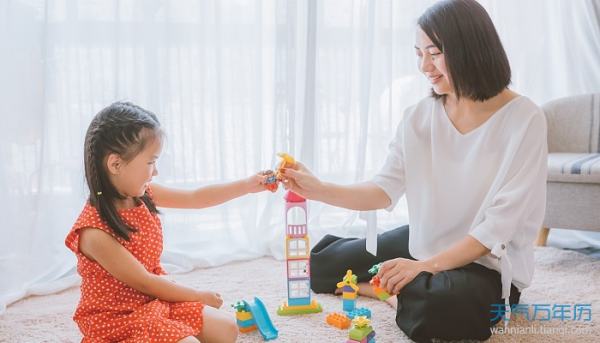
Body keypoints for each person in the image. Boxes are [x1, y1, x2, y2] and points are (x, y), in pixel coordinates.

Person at [280, 0, 547, 341]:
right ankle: (397, 287)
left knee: (440, 309)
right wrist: (316, 187)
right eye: (418, 53)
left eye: (433, 53)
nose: (424, 66)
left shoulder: (524, 119)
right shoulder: (418, 116)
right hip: (426, 241)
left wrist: (421, 267)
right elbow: (382, 189)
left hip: (485, 264)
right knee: (318, 267)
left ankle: (388, 292)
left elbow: (496, 229)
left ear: (470, 49)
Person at [65, 101, 269, 343]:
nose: (156, 172)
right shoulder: (93, 232)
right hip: (118, 318)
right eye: (151, 162)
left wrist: (247, 185)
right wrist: (197, 296)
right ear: (115, 164)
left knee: (227, 329)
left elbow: (196, 198)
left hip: (153, 299)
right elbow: (145, 281)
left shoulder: (143, 195)